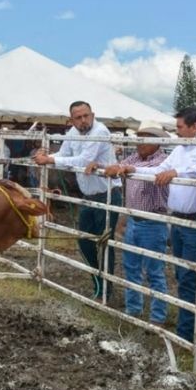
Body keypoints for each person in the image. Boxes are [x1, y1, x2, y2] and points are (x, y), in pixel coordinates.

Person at [124, 107, 196, 342]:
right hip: (179, 220)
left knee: (188, 275)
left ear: (194, 127)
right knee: (181, 273)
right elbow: (161, 170)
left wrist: (175, 172)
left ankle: (185, 334)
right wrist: (134, 169)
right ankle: (186, 323)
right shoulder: (180, 148)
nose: (176, 131)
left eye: (180, 127)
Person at [34, 101, 123, 300]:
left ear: (92, 114)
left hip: (107, 193)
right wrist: (49, 156)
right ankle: (98, 282)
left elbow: (84, 160)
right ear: (72, 119)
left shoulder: (100, 131)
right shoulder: (73, 132)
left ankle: (106, 288)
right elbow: (64, 154)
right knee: (84, 241)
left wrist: (50, 160)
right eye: (78, 117)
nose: (83, 120)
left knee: (104, 242)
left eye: (86, 116)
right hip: (89, 195)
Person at [95, 120, 170, 323]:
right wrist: (101, 167)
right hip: (134, 220)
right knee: (131, 267)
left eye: (145, 139)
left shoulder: (162, 161)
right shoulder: (134, 158)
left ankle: (157, 316)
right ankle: (133, 309)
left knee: (154, 271)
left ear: (157, 141)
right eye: (139, 138)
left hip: (153, 221)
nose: (140, 143)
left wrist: (125, 168)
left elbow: (135, 170)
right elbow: (120, 167)